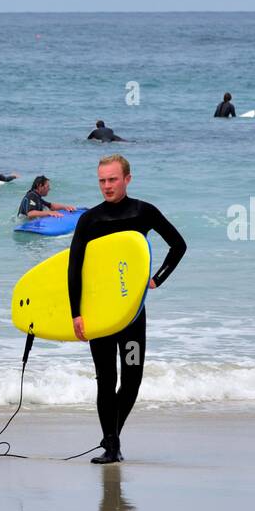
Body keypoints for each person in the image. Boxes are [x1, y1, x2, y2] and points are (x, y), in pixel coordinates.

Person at [69, 155, 187, 464]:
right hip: (100, 316)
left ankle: (112, 435)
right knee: (106, 379)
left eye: (112, 179)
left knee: (132, 378)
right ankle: (112, 446)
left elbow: (178, 245)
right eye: (102, 180)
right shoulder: (90, 219)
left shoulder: (142, 212)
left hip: (133, 316)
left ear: (127, 179)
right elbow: (74, 267)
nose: (106, 186)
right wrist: (76, 313)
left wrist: (157, 279)